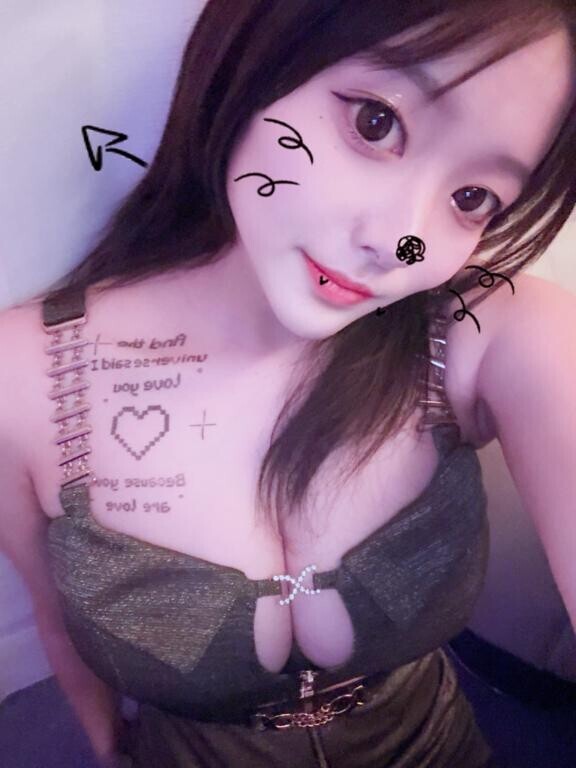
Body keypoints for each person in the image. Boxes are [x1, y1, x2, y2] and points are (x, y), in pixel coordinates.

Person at [1, 1, 576, 766]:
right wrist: (112, 753)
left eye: (471, 198)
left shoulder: (491, 332)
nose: (395, 242)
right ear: (258, 60)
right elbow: (56, 623)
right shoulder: (25, 376)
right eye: (375, 123)